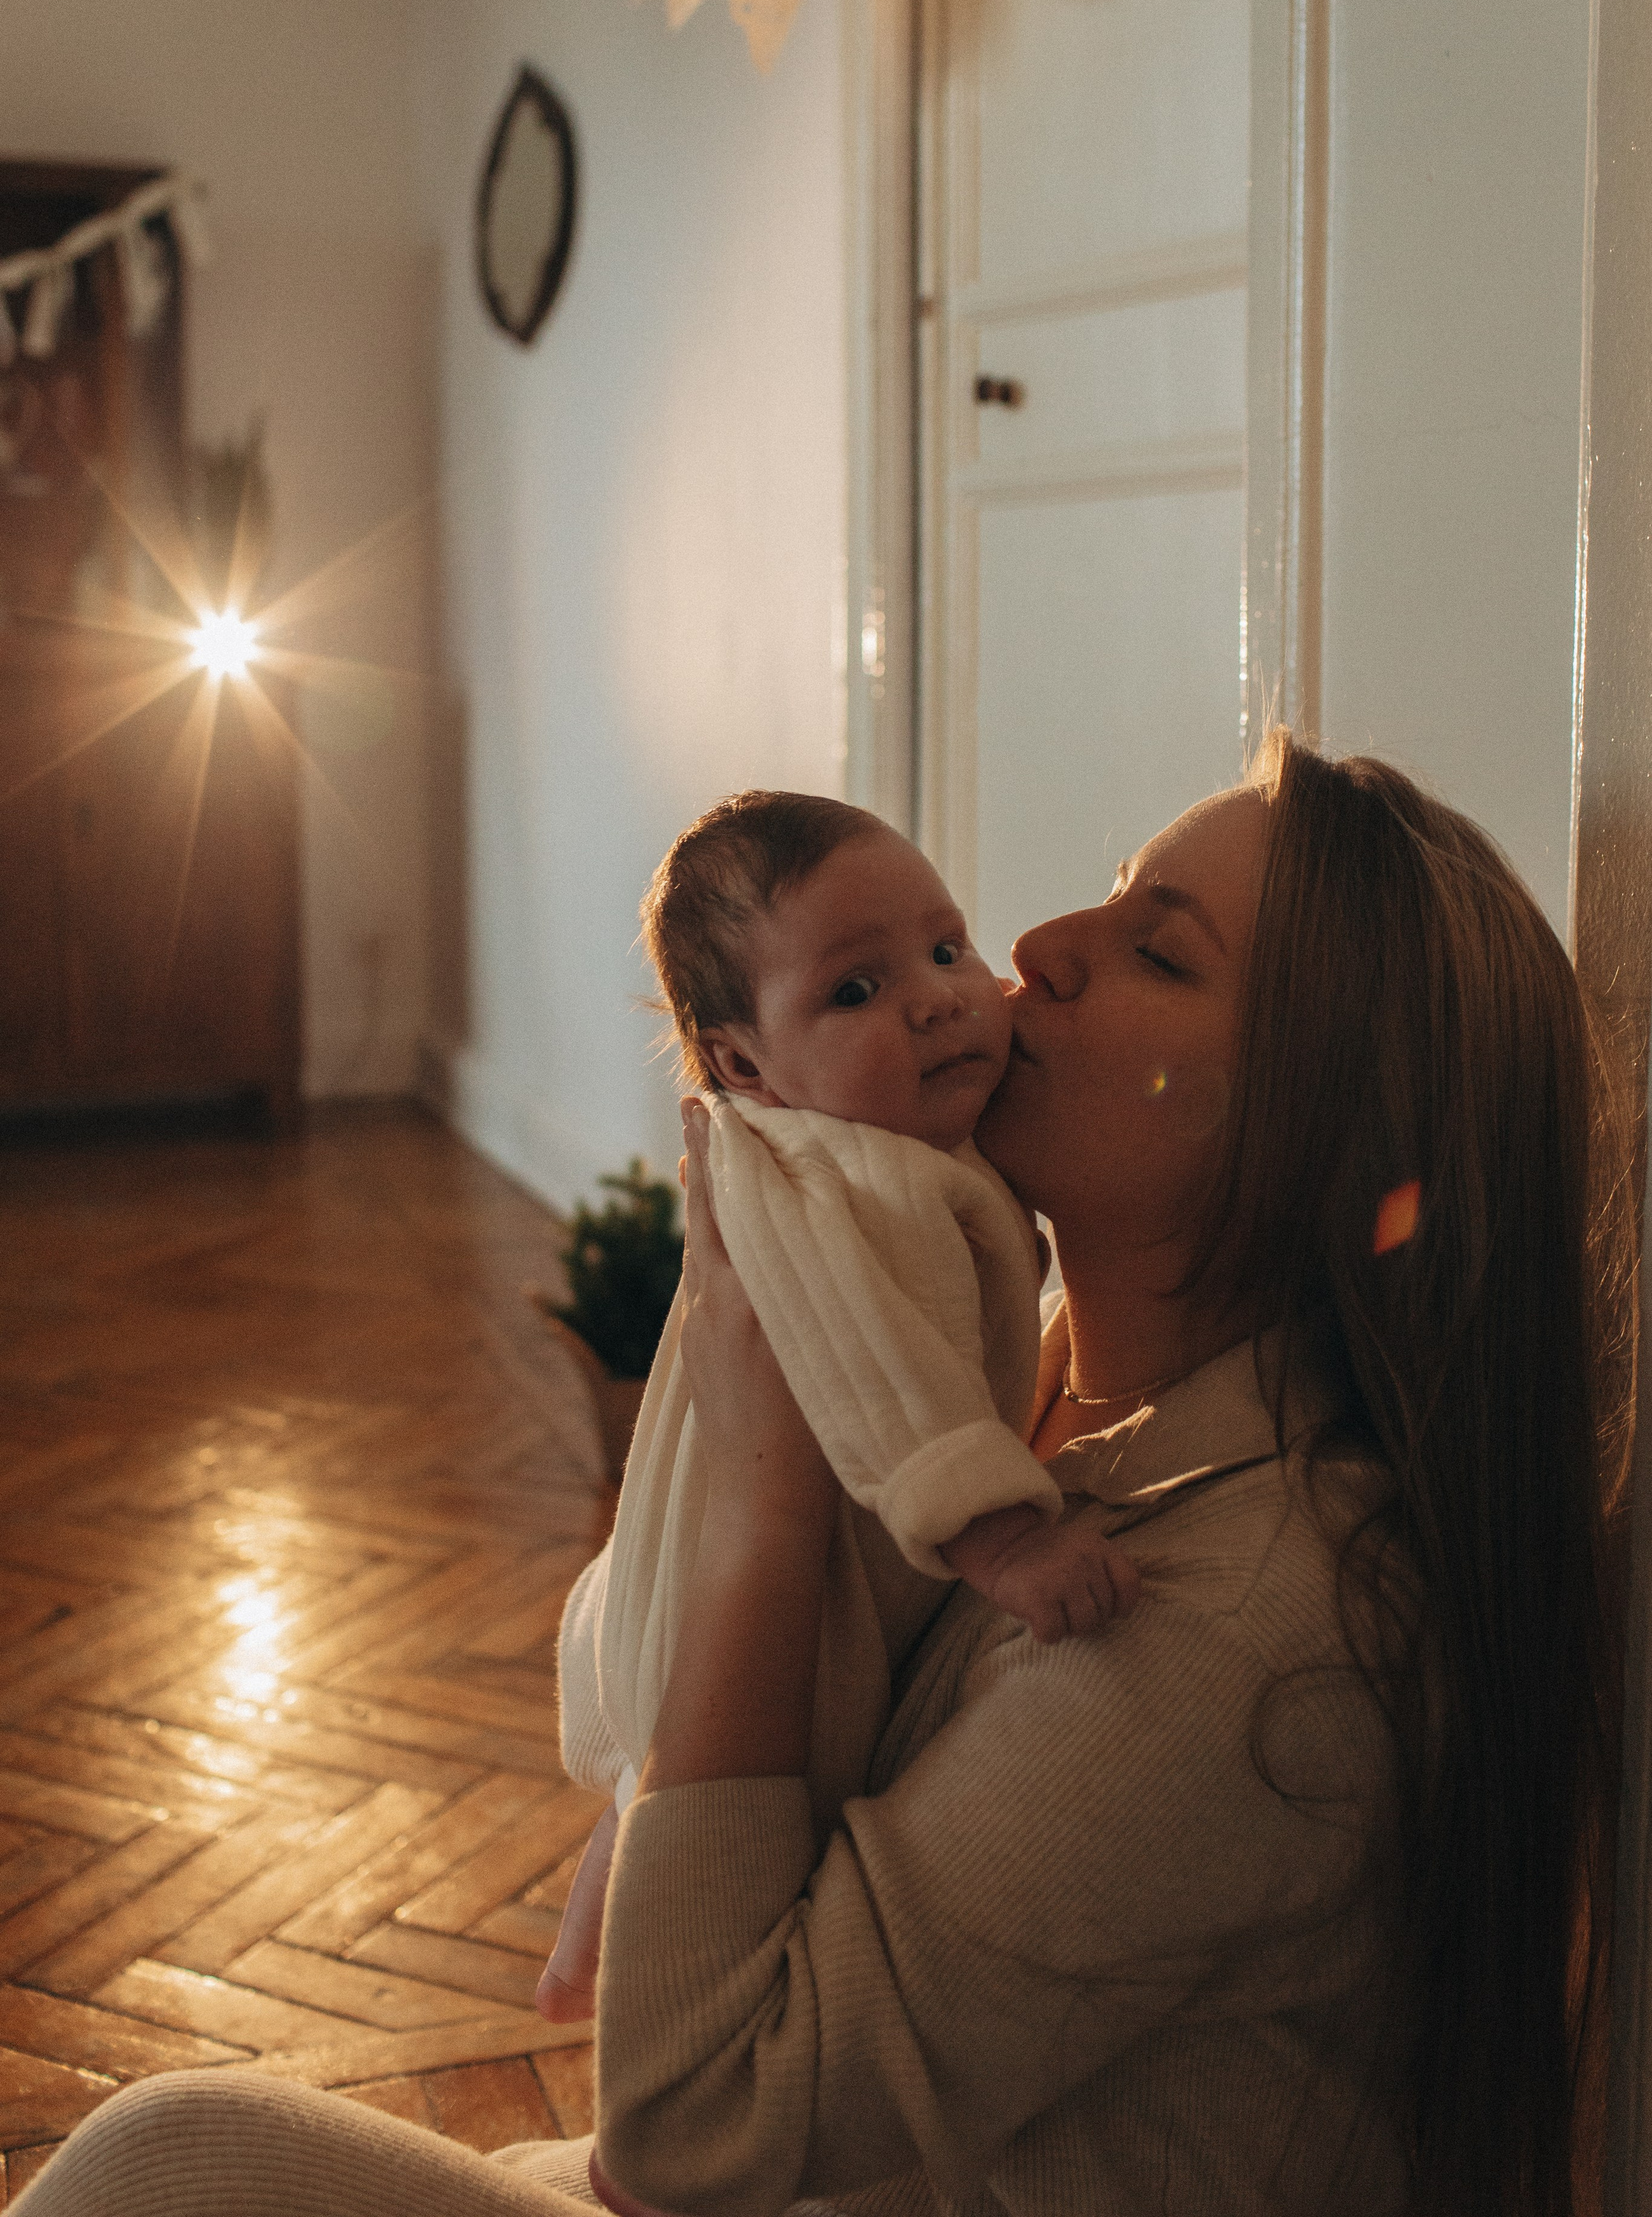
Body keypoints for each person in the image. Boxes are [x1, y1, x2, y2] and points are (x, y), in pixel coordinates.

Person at [14, 734, 1629, 2217]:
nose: (1040, 948)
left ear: (1317, 1128)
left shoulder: (1252, 1629)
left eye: (1157, 950)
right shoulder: (1057, 1369)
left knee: (171, 2163)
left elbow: (688, 2129)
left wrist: (768, 1497)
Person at [543, 791, 1140, 2023]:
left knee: (654, 1798)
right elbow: (869, 1360)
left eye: (944, 949)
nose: (935, 998)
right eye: (854, 993)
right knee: (760, 1816)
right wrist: (999, 1533)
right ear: (745, 1063)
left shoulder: (900, 1149)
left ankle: (583, 1963)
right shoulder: (829, 1183)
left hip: (784, 1564)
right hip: (771, 1589)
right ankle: (660, 2088)